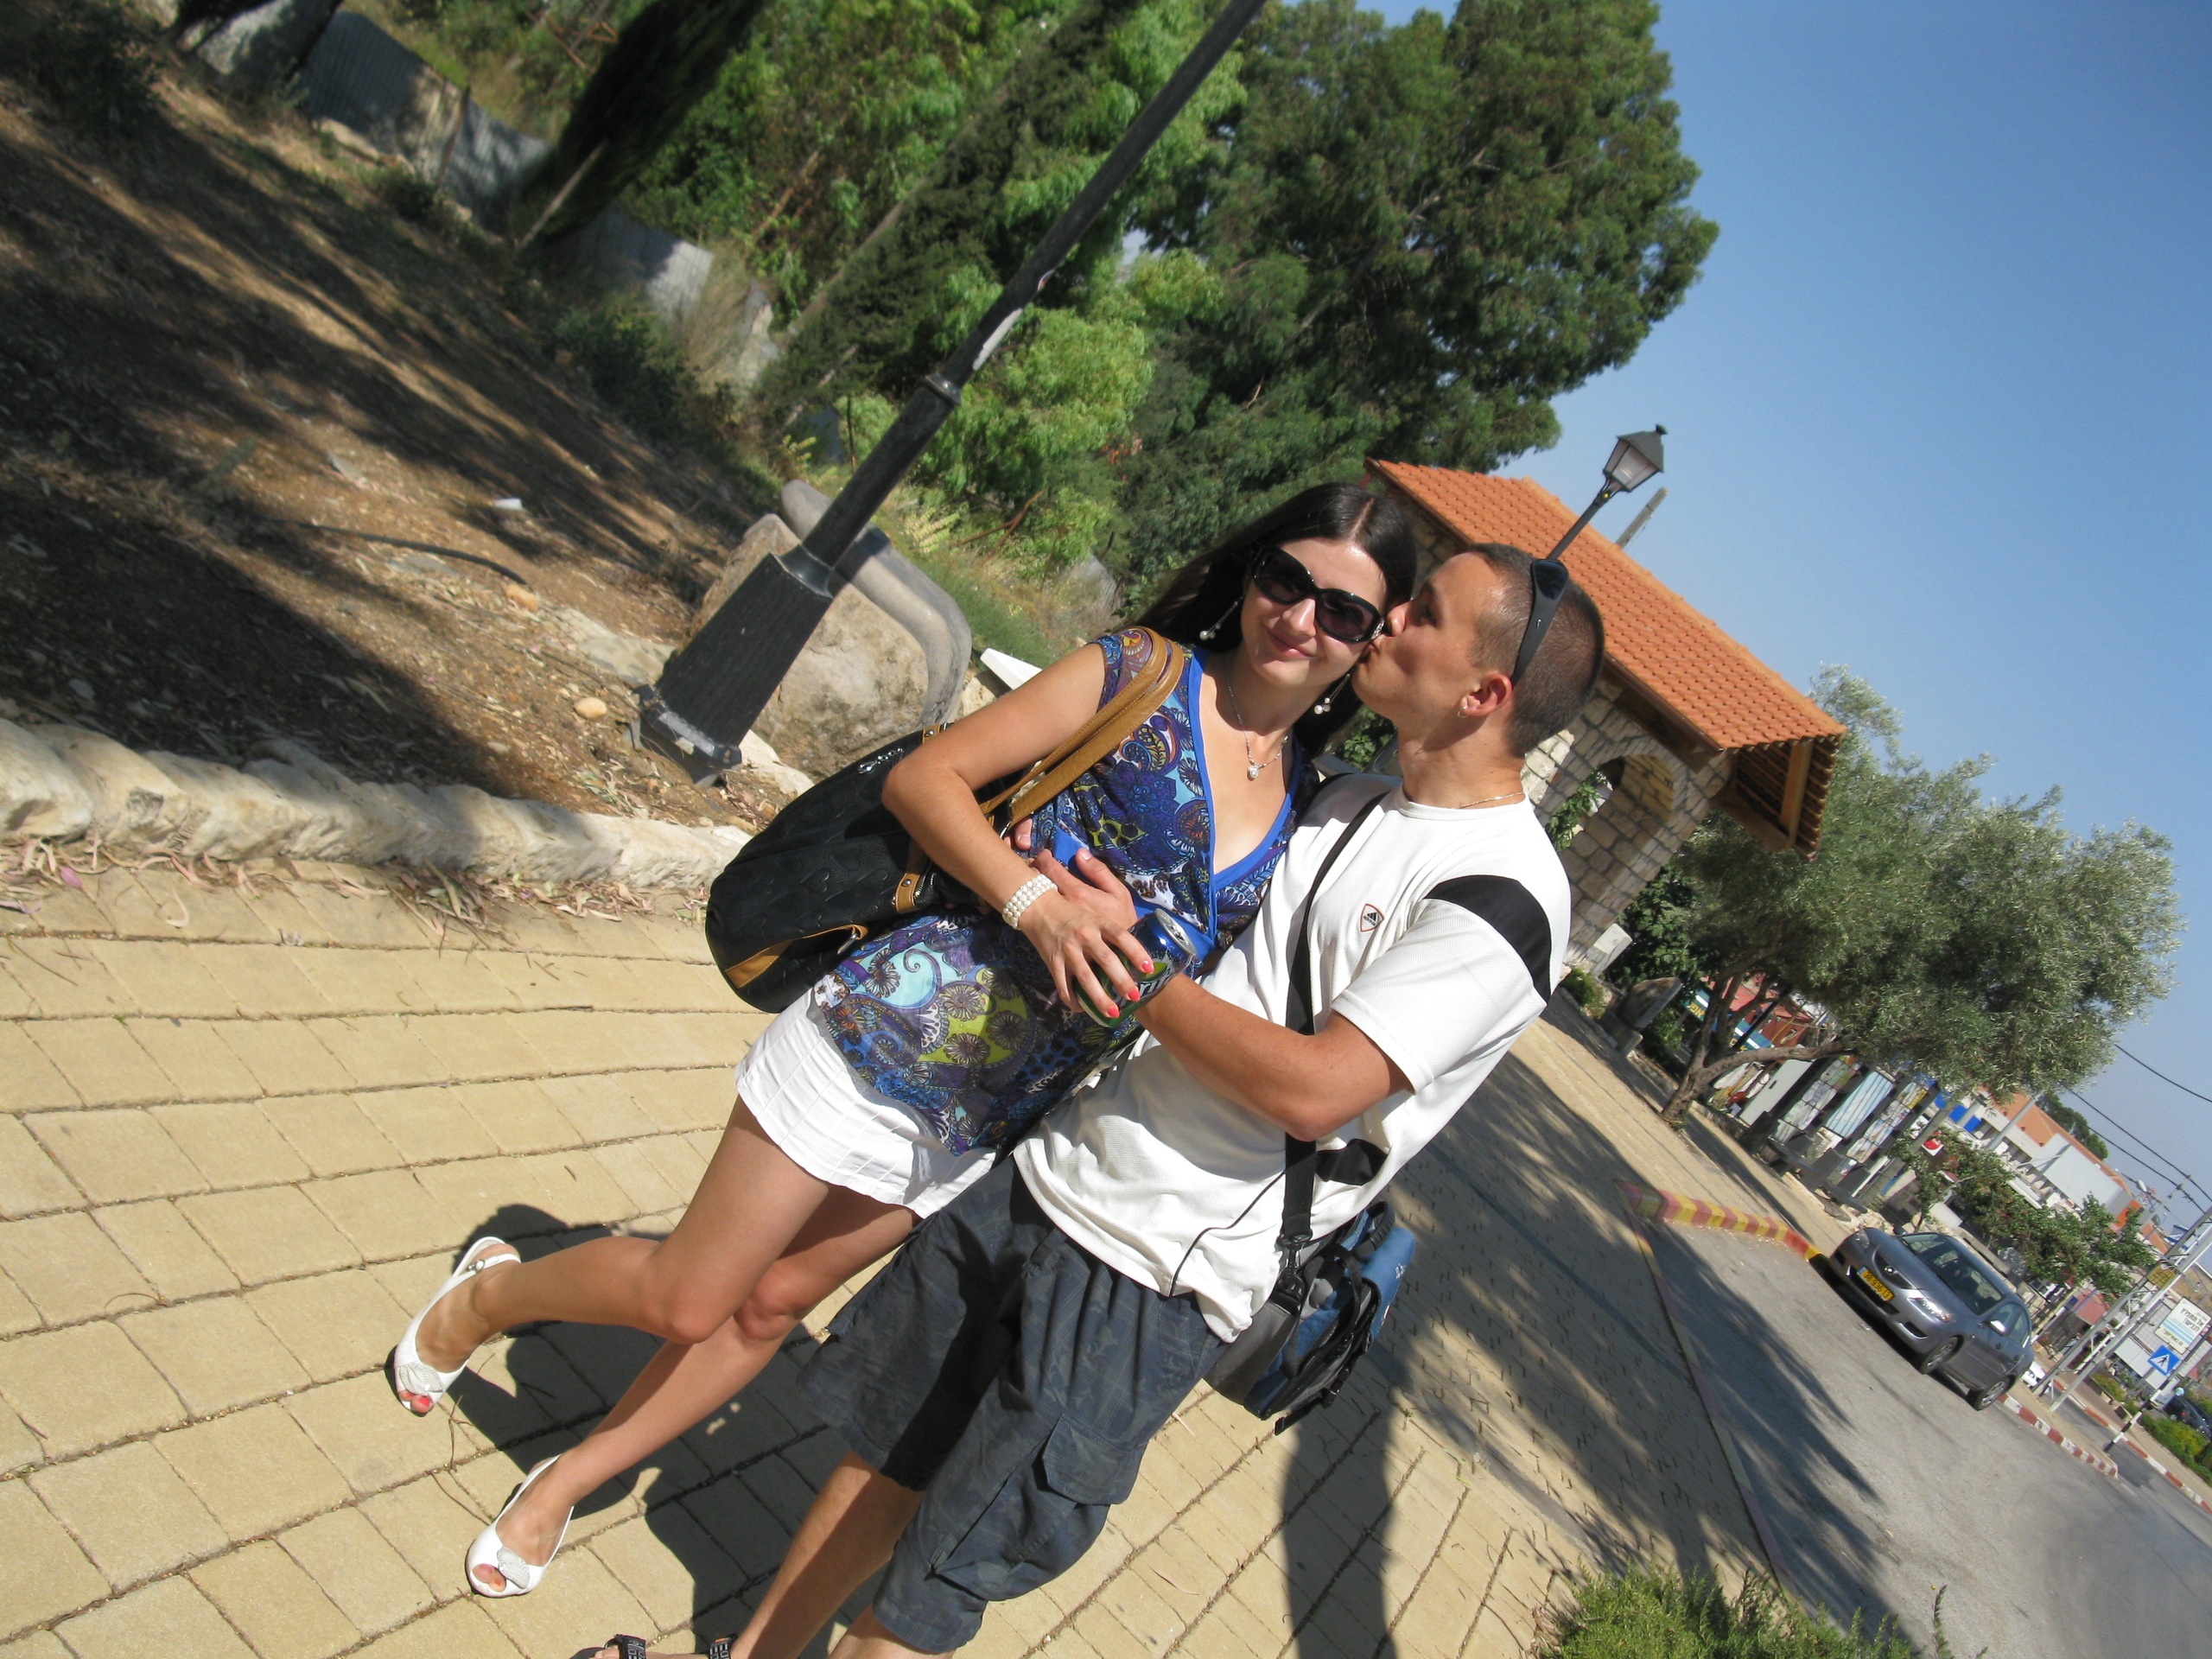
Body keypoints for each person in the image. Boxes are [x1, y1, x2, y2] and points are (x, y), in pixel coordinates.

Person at [575, 539, 1606, 1659]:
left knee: (937, 1581)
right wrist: (1052, 880)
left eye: (1425, 613)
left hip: (1156, 1272)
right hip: (1048, 1175)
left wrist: (1133, 970)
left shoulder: (1502, 899)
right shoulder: (1349, 801)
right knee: (884, 1460)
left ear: (1484, 693)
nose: (1391, 618)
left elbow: (1317, 1091)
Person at [383, 483, 1420, 1596]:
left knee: (771, 1305)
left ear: (1373, 637)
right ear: (1253, 570)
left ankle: (568, 1478)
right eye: (1287, 580)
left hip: (991, 1113)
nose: (1300, 619)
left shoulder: (1311, 800)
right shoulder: (1142, 672)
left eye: (1341, 611)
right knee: (688, 1294)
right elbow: (930, 780)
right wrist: (1036, 903)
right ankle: (487, 1296)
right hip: (883, 1028)